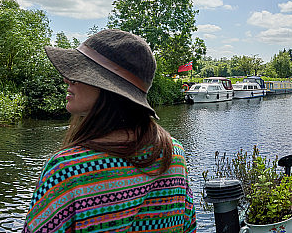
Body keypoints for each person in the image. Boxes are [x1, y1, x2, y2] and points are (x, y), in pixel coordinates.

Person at [24, 29, 197, 232]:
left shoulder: (67, 170)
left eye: (79, 73)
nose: (67, 80)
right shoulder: (174, 152)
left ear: (107, 87)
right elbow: (189, 226)